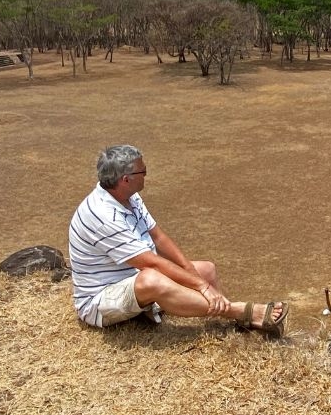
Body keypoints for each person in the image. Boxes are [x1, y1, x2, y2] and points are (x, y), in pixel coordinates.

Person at [68, 144, 288, 336]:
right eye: (142, 171)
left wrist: (199, 279)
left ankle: (223, 316)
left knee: (207, 270)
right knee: (152, 279)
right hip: (100, 301)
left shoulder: (128, 197)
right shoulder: (102, 215)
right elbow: (150, 263)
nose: (146, 174)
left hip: (132, 278)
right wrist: (200, 286)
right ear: (126, 179)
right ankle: (240, 311)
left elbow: (158, 236)